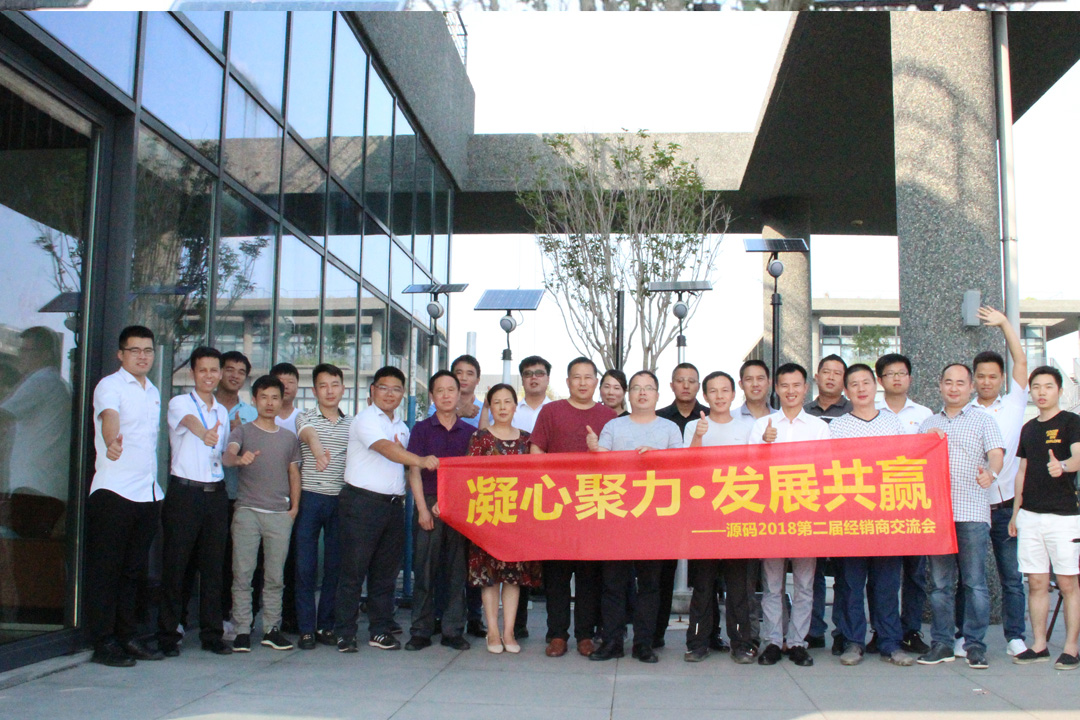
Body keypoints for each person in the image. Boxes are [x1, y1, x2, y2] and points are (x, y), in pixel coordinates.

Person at [334, 366, 437, 653]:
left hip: (392, 507)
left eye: (396, 389)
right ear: (373, 391)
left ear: (403, 394)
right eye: (383, 387)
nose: (389, 394)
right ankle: (344, 632)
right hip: (361, 504)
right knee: (353, 572)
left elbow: (404, 466)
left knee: (385, 574)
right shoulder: (365, 419)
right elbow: (384, 448)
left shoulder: (402, 427)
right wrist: (420, 459)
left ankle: (379, 630)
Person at [587, 370, 683, 664]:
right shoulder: (614, 426)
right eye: (637, 388)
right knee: (613, 583)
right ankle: (612, 641)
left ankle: (644, 643)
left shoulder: (669, 429)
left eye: (648, 388)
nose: (642, 393)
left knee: (650, 584)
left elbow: (682, 468)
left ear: (657, 395)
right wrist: (593, 450)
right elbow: (600, 465)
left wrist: (659, 457)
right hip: (616, 515)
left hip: (654, 518)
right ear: (628, 394)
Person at [916, 363, 1004, 670]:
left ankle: (974, 645)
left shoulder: (983, 420)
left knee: (975, 583)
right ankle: (942, 643)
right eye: (948, 382)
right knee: (940, 584)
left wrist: (991, 473)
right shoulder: (927, 423)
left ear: (971, 387)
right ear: (940, 385)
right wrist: (925, 440)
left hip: (971, 511)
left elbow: (996, 454)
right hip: (937, 515)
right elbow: (912, 462)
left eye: (960, 383)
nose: (954, 388)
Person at [84, 326, 163, 667]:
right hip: (114, 492)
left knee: (133, 572)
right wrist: (112, 441)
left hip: (147, 493)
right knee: (107, 571)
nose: (142, 356)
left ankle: (127, 636)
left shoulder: (153, 391)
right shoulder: (110, 385)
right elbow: (109, 419)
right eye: (135, 350)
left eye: (148, 350)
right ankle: (104, 642)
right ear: (121, 354)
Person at [956, 306, 1030, 659]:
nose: (986, 382)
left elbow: (1021, 361)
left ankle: (1016, 636)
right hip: (971, 507)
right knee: (968, 578)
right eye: (981, 377)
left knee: (1011, 577)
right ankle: (963, 635)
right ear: (973, 380)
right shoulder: (963, 412)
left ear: (1001, 379)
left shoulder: (1014, 404)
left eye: (992, 376)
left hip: (1005, 507)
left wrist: (1004, 325)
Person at [828, 364, 913, 667]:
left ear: (876, 385)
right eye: (854, 384)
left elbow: (906, 463)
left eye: (866, 382)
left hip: (887, 516)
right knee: (851, 584)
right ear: (846, 391)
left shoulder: (893, 422)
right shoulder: (837, 427)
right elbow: (829, 469)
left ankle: (890, 642)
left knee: (887, 584)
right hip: (851, 516)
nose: (861, 389)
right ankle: (853, 641)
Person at [531, 357, 615, 658]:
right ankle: (556, 635)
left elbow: (618, 460)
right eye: (576, 377)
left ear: (596, 382)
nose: (582, 382)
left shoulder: (608, 416)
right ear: (567, 382)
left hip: (594, 505)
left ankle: (585, 635)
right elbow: (537, 450)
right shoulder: (551, 411)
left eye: (588, 377)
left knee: (589, 576)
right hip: (557, 506)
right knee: (556, 576)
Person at [749, 362, 829, 668]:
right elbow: (748, 470)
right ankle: (772, 640)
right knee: (772, 584)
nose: (791, 391)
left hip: (806, 511)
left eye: (796, 385)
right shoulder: (763, 426)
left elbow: (826, 469)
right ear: (777, 389)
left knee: (805, 583)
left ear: (806, 388)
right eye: (785, 385)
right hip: (772, 512)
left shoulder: (819, 427)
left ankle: (797, 642)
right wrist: (764, 445)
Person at [158, 346, 232, 657]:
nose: (209, 376)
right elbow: (191, 422)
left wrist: (241, 458)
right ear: (193, 373)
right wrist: (204, 434)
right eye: (203, 370)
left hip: (215, 494)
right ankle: (168, 634)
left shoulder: (223, 412)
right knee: (177, 566)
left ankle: (212, 634)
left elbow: (222, 454)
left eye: (214, 370)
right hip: (185, 494)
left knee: (214, 568)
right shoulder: (179, 403)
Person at [223, 375, 301, 653]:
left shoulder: (289, 438)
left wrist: (294, 508)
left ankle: (271, 628)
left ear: (282, 401)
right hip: (247, 511)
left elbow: (294, 473)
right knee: (242, 574)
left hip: (279, 514)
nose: (269, 403)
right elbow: (227, 456)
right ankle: (242, 629)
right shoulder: (242, 432)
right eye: (264, 397)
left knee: (275, 577)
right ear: (254, 400)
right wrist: (239, 459)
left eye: (275, 397)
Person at [1009, 366, 1080, 670]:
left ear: (1059, 391)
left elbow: (1078, 456)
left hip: (1063, 517)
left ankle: (1071, 647)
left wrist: (1062, 466)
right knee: (1036, 582)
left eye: (1048, 386)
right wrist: (1015, 513)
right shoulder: (1028, 428)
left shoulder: (1071, 422)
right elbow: (1022, 471)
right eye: (1036, 387)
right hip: (1030, 516)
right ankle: (1039, 644)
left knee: (1067, 582)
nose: (1041, 392)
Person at [683, 370, 755, 664]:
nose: (720, 396)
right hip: (704, 517)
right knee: (703, 584)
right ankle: (698, 642)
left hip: (738, 513)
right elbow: (687, 465)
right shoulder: (694, 426)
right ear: (705, 395)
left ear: (734, 394)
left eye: (725, 390)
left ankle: (741, 643)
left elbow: (757, 467)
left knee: (738, 586)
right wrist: (699, 437)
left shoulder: (748, 427)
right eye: (713, 391)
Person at [466, 384, 543, 654]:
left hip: (517, 519)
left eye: (507, 401)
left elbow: (537, 477)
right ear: (490, 406)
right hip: (488, 515)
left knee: (513, 576)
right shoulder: (479, 438)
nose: (502, 407)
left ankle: (509, 631)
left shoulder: (527, 440)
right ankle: (493, 631)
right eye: (496, 402)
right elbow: (469, 477)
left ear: (514, 405)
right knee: (489, 577)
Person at [405, 370, 475, 652]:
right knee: (424, 570)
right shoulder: (421, 429)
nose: (446, 395)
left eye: (451, 390)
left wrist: (454, 501)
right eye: (440, 391)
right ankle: (421, 630)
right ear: (432, 396)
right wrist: (422, 509)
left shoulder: (470, 433)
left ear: (459, 395)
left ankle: (453, 630)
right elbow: (413, 470)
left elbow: (473, 477)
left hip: (458, 506)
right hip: (427, 503)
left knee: (457, 571)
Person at [871, 352, 932, 656]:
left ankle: (911, 629)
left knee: (915, 573)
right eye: (890, 374)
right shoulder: (872, 412)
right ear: (880, 380)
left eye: (902, 373)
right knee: (883, 575)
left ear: (910, 377)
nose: (896, 378)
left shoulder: (925, 414)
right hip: (880, 502)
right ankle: (882, 630)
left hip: (915, 502)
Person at [294, 363, 352, 650]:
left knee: (334, 567)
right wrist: (318, 453)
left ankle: (325, 625)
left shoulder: (352, 424)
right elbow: (308, 435)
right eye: (323, 386)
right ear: (314, 390)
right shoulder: (305, 417)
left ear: (343, 388)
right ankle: (305, 628)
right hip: (310, 498)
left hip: (339, 501)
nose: (329, 391)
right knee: (305, 566)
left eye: (334, 384)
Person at [654, 362, 709, 647]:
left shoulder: (711, 416)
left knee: (706, 574)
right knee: (663, 572)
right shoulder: (659, 418)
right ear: (671, 385)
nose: (686, 385)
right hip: (665, 503)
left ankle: (708, 635)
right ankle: (656, 633)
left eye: (691, 380)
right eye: (680, 380)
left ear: (699, 386)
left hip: (704, 504)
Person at [803, 354, 852, 654]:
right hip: (810, 499)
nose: (831, 377)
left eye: (838, 373)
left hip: (845, 499)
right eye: (826, 371)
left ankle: (844, 631)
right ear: (816, 376)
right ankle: (813, 630)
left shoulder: (854, 411)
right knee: (813, 571)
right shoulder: (803, 412)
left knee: (846, 572)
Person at [214, 350, 258, 639]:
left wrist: (239, 435)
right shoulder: (205, 405)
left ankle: (228, 616)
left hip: (237, 496)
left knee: (233, 560)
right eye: (229, 369)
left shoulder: (250, 413)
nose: (235, 376)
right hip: (208, 491)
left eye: (241, 372)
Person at [0, 326, 71, 501]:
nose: (21, 356)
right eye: (20, 350)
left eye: (27, 351)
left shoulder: (42, 380)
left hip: (34, 487)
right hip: (41, 485)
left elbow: (3, 414)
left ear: (46, 354)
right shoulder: (53, 381)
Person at [735, 359, 774, 646]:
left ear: (769, 382)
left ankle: (778, 636)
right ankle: (748, 637)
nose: (755, 384)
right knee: (745, 580)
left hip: (779, 506)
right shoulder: (731, 419)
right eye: (749, 379)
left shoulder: (783, 417)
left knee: (774, 579)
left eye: (761, 378)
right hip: (744, 507)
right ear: (741, 384)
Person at [269, 362, 301, 634]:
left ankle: (290, 617)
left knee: (292, 562)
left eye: (291, 381)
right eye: (280, 381)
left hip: (293, 499)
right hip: (263, 498)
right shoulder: (261, 417)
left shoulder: (302, 419)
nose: (285, 386)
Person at [512, 355, 552, 433]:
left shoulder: (558, 412)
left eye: (539, 373)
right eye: (528, 374)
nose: (534, 377)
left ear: (548, 379)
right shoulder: (510, 412)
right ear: (522, 380)